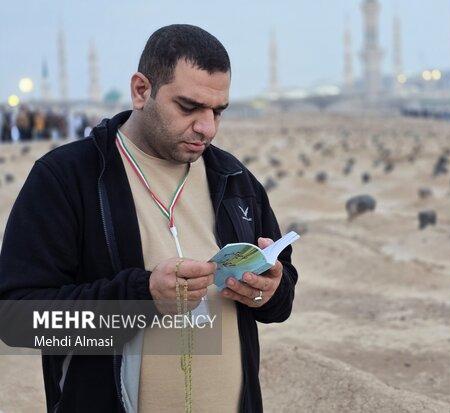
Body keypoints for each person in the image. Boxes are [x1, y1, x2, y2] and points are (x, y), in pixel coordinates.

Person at [0, 24, 297, 413]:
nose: (207, 127)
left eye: (217, 111)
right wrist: (141, 297)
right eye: (189, 107)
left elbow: (282, 292)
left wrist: (267, 292)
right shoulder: (66, 178)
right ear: (142, 90)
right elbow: (20, 322)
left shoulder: (235, 180)